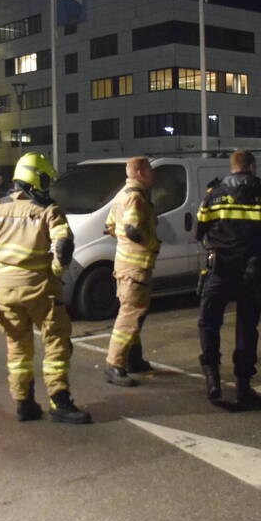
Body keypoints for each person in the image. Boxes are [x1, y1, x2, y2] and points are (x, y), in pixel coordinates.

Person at [0, 152, 92, 424]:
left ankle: (24, 404)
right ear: (35, 178)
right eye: (45, 179)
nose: (47, 186)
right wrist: (56, 273)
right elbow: (64, 247)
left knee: (18, 349)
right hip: (40, 289)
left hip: (5, 291)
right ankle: (59, 402)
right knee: (56, 343)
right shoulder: (48, 210)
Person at [195, 150, 261, 404]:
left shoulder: (214, 195)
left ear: (232, 167)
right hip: (252, 273)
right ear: (252, 167)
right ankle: (243, 386)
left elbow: (199, 231)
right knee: (247, 327)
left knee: (209, 323)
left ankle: (212, 379)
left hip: (219, 271)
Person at [103, 156, 159, 387]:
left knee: (135, 312)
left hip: (125, 264)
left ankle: (133, 359)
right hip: (135, 266)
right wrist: (151, 244)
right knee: (130, 314)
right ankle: (114, 364)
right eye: (150, 170)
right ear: (140, 173)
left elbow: (110, 226)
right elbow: (132, 229)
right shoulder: (136, 197)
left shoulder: (121, 194)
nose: (153, 175)